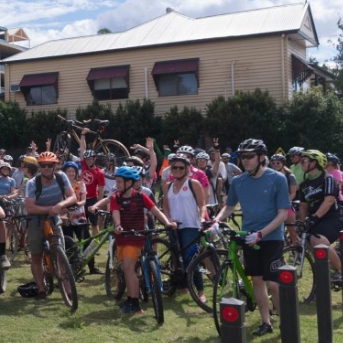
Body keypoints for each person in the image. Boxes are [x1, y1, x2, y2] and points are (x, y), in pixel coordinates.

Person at [211, 139, 289, 336]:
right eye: (242, 157)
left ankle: (285, 321)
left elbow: (283, 213)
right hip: (248, 236)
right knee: (256, 281)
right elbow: (229, 207)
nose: (244, 160)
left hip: (271, 237)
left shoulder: (278, 179)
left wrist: (262, 233)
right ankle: (266, 322)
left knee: (273, 282)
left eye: (249, 157)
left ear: (261, 158)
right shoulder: (238, 181)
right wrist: (216, 221)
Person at [108, 166, 175, 314]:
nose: (117, 185)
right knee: (127, 270)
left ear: (129, 183)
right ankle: (131, 299)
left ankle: (135, 304)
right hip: (122, 238)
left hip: (136, 238)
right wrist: (118, 225)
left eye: (119, 182)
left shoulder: (141, 197)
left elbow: (156, 211)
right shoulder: (115, 198)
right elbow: (115, 213)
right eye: (117, 181)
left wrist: (168, 223)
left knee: (129, 269)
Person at [24, 151, 76, 301]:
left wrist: (60, 205)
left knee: (61, 255)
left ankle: (68, 289)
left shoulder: (61, 178)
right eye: (43, 165)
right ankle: (41, 289)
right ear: (39, 167)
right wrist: (51, 209)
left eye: (49, 165)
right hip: (36, 220)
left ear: (55, 166)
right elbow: (30, 208)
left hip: (54, 218)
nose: (46, 168)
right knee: (36, 255)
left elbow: (72, 196)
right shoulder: (32, 183)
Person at [161, 154, 207, 302]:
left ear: (187, 169)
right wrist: (168, 220)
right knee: (176, 257)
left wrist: (201, 218)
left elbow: (202, 204)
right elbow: (166, 207)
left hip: (190, 225)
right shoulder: (168, 186)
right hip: (174, 226)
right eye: (174, 167)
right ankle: (182, 285)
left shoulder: (193, 184)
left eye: (181, 167)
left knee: (191, 258)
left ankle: (200, 291)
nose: (178, 170)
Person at [296, 150, 343, 282]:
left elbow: (328, 201)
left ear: (315, 162)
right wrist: (302, 221)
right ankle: (323, 279)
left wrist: (314, 218)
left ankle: (340, 271)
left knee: (318, 241)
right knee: (309, 241)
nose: (301, 164)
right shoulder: (305, 184)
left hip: (333, 216)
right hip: (315, 217)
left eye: (304, 161)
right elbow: (303, 206)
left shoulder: (328, 179)